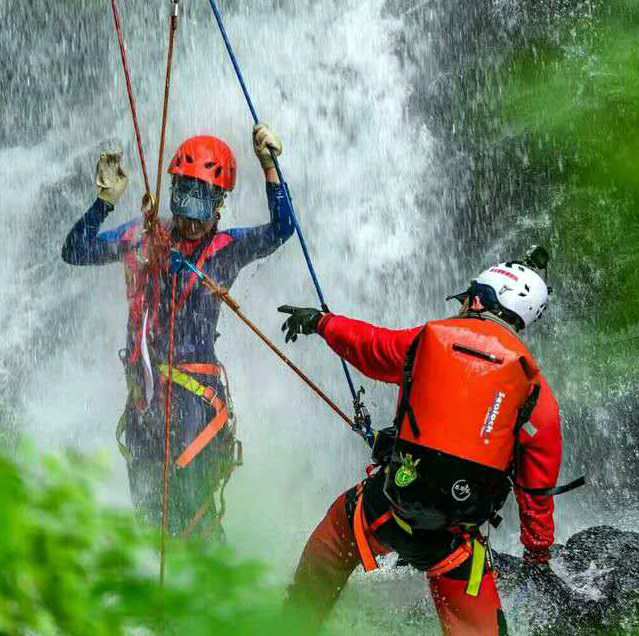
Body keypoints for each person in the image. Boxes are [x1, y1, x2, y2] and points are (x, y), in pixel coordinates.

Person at [278, 251, 572, 636]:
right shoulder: (535, 390)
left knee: (335, 538)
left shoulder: (428, 339)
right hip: (454, 542)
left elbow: (370, 347)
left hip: (386, 509)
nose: (464, 304)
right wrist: (538, 554)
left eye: (468, 297)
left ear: (481, 300)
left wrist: (320, 322)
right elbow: (536, 490)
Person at [62, 124, 294, 540]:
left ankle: (216, 597)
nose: (189, 218)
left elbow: (281, 230)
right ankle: (161, 598)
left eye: (201, 204)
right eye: (183, 200)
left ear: (219, 204)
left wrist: (270, 167)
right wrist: (104, 201)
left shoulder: (225, 250)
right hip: (146, 397)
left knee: (192, 508)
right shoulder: (145, 237)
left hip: (194, 402)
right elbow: (75, 251)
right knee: (151, 511)